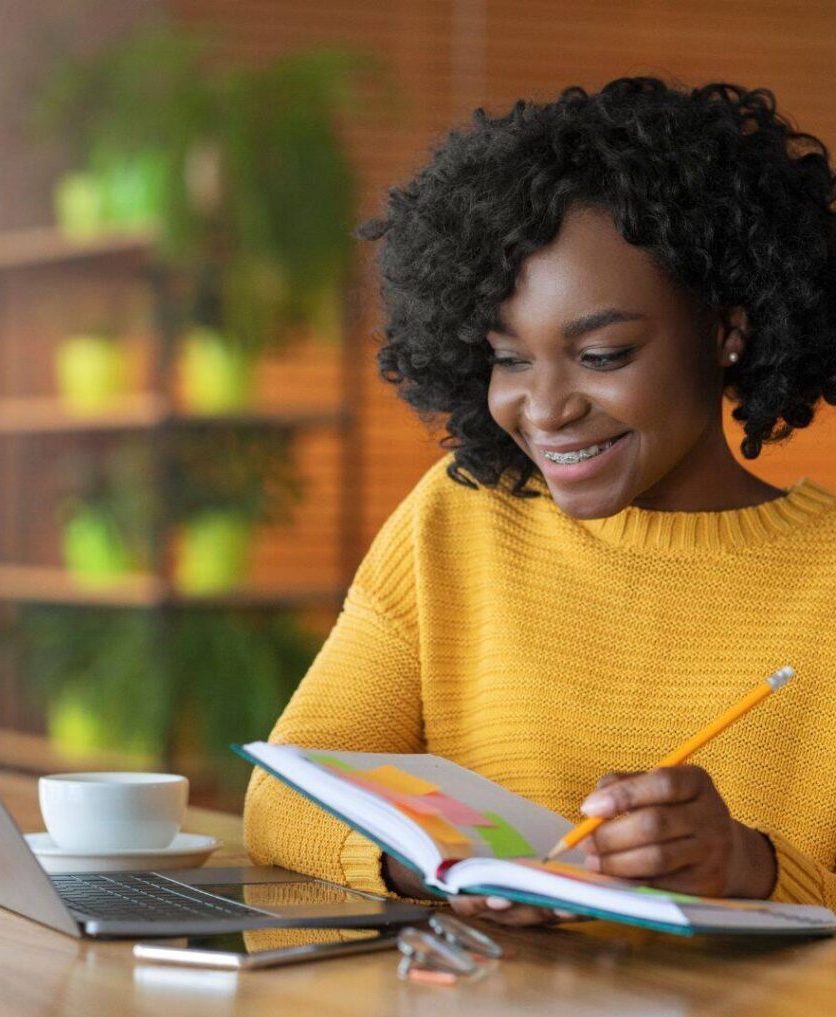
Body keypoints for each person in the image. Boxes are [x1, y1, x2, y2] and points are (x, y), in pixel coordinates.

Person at [243, 76, 836, 926]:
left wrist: (753, 867)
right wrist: (443, 871)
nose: (545, 409)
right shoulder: (460, 517)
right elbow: (281, 802)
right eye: (508, 359)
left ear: (727, 331)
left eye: (602, 355)